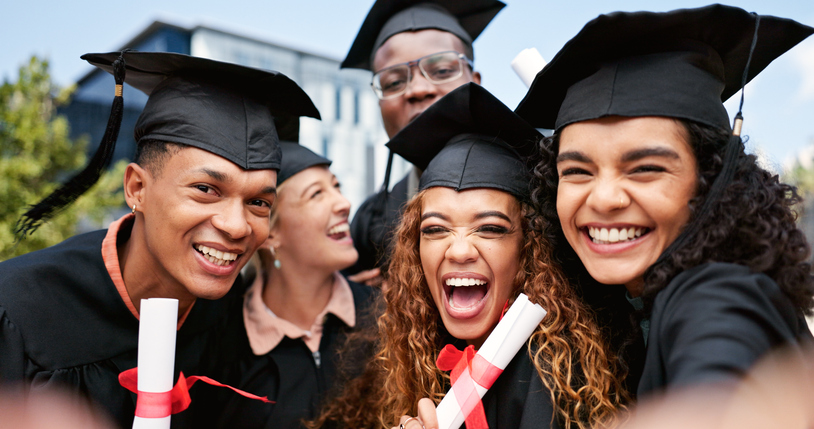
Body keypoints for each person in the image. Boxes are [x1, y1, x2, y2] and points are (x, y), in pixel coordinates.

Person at [0, 51, 320, 428]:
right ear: (137, 189)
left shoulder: (226, 315)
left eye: (259, 202)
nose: (237, 226)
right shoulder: (17, 312)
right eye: (206, 189)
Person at [516, 4, 814, 399]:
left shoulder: (722, 292)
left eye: (645, 168)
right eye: (577, 171)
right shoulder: (613, 308)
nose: (604, 198)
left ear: (711, 180)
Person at [314, 83, 625, 429]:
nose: (459, 249)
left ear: (529, 249)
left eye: (490, 228)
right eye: (435, 230)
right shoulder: (414, 360)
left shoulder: (553, 376)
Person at [210, 141, 378, 428]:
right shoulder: (221, 345)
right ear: (270, 232)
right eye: (317, 194)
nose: (344, 203)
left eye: (336, 187)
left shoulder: (385, 319)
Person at [341, 0, 504, 283]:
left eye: (441, 71)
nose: (417, 89)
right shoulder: (371, 222)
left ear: (476, 83)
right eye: (393, 82)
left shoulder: (539, 188)